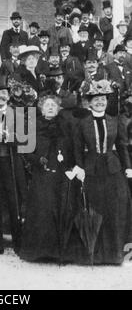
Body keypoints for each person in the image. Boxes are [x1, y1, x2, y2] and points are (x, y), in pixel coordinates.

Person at [71, 80, 132, 265]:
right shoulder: (82, 123)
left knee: (115, 207)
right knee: (94, 207)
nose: (100, 102)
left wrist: (128, 166)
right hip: (91, 169)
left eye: (103, 99)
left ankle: (114, 254)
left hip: (112, 168)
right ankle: (94, 253)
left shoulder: (115, 121)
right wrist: (79, 167)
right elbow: (77, 148)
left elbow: (122, 146)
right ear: (89, 102)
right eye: (96, 99)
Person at [20, 95, 72, 262]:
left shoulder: (65, 125)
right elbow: (25, 150)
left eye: (53, 105)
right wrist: (37, 159)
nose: (50, 108)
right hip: (41, 173)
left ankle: (58, 253)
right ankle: (39, 252)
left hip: (61, 173)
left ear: (58, 109)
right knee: (42, 209)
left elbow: (72, 148)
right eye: (47, 105)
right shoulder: (33, 125)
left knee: (60, 206)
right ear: (41, 109)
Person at [0, 75, 28, 256]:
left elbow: (25, 138)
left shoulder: (17, 114)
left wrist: (10, 138)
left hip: (12, 163)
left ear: (8, 96)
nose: (0, 96)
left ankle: (19, 242)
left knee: (14, 201)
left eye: (3, 93)